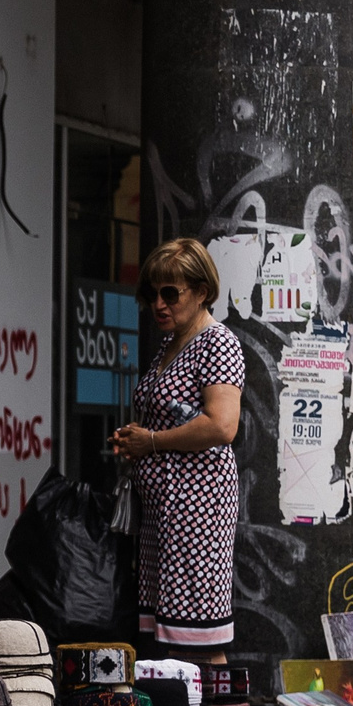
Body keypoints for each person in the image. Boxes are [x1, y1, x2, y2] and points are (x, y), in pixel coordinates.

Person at [112, 238, 244, 651]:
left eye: (171, 293)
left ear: (201, 291)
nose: (159, 304)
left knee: (200, 638)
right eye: (151, 293)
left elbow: (222, 426)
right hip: (162, 515)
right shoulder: (170, 347)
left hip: (196, 512)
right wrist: (134, 439)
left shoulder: (216, 343)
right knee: (165, 635)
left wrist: (150, 441)